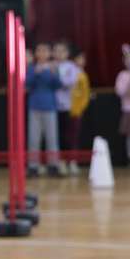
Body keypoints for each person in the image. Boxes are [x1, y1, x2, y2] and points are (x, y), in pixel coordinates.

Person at [26, 41, 62, 177]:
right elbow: (27, 83)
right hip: (35, 106)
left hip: (50, 107)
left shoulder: (54, 67)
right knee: (34, 138)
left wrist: (53, 74)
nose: (42, 54)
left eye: (45, 51)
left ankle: (53, 166)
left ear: (49, 53)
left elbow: (58, 85)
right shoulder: (32, 68)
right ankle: (33, 167)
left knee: (52, 138)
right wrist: (35, 73)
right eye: (39, 51)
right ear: (36, 53)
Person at [53, 40, 81, 168]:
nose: (59, 54)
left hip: (65, 106)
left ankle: (66, 161)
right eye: (57, 51)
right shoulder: (50, 65)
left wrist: (58, 82)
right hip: (51, 106)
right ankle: (53, 161)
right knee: (53, 135)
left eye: (62, 51)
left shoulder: (71, 67)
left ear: (67, 53)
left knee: (65, 134)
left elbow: (71, 82)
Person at [67, 49, 91, 172]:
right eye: (81, 58)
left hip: (76, 111)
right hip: (64, 110)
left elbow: (85, 94)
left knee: (73, 137)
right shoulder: (66, 71)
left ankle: (73, 161)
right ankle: (61, 162)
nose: (83, 61)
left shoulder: (82, 75)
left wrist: (80, 107)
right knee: (64, 137)